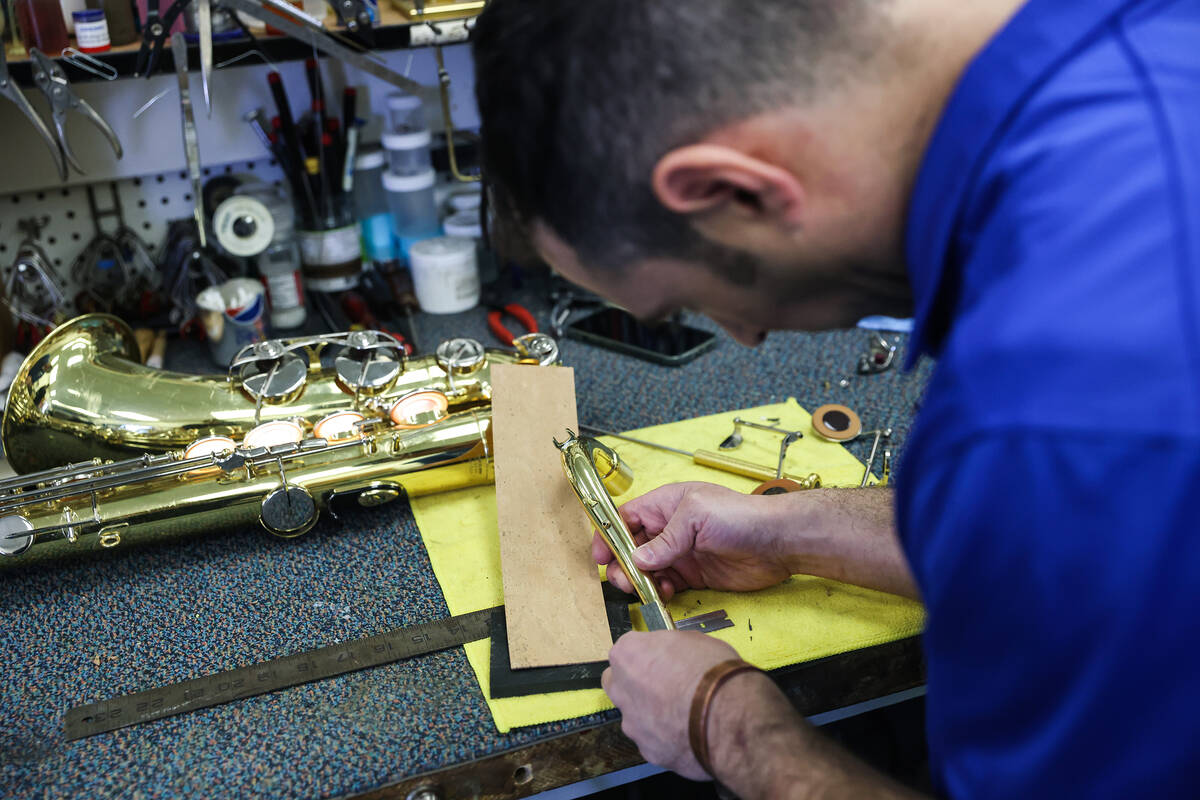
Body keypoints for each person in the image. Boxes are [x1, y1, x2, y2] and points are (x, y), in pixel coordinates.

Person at [472, 0, 1200, 797]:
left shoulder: (1053, 409)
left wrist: (729, 724)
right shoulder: (1138, 42)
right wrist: (787, 529)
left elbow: (1070, 476)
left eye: (689, 306)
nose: (741, 338)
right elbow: (1073, 544)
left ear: (734, 191)